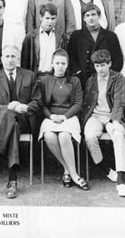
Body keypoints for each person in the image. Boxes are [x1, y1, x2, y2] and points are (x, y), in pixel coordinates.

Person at [0, 45, 42, 199]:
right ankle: (12, 181)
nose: (10, 60)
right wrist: (10, 108)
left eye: (13, 56)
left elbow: (37, 102)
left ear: (17, 58)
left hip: (25, 118)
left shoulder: (29, 76)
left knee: (13, 121)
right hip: (5, 121)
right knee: (12, 124)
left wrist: (24, 107)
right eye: (7, 56)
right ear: (1, 59)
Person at [38, 49, 88, 190]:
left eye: (63, 63)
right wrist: (51, 116)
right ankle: (71, 172)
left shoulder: (74, 81)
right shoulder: (45, 81)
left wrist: (65, 116)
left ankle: (70, 173)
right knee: (48, 135)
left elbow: (78, 103)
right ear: (52, 64)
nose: (60, 66)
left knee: (64, 136)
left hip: (69, 117)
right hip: (51, 117)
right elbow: (41, 104)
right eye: (57, 63)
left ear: (67, 65)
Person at [82, 50, 125, 197]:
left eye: (103, 65)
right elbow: (87, 103)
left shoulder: (118, 78)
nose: (100, 69)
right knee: (89, 136)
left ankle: (120, 179)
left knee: (118, 135)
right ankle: (105, 169)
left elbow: (120, 102)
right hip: (95, 116)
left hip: (112, 116)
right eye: (97, 66)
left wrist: (114, 120)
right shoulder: (91, 80)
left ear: (109, 64)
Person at [68, 3, 123, 88]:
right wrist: (77, 73)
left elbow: (118, 59)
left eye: (93, 14)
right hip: (83, 81)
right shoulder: (76, 36)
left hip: (105, 81)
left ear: (99, 16)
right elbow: (71, 57)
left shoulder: (110, 36)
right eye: (87, 15)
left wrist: (109, 76)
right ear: (84, 18)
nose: (91, 18)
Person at [21, 3, 67, 76]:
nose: (50, 22)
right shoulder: (31, 37)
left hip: (54, 77)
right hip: (37, 76)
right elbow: (25, 61)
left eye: (53, 18)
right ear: (41, 17)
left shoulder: (61, 36)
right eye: (47, 18)